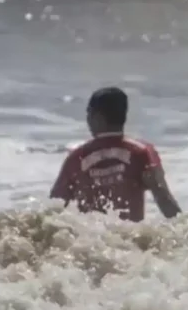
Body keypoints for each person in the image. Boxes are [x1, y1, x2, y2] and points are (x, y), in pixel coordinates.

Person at [50, 87, 181, 222]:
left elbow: (53, 210)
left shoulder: (77, 157)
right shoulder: (142, 153)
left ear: (96, 116)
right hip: (130, 238)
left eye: (88, 113)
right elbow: (165, 200)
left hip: (88, 240)